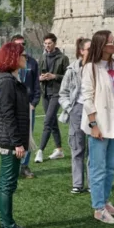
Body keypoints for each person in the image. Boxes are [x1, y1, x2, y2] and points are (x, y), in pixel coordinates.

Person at [81, 30, 114, 224]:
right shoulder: (90, 67)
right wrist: (93, 125)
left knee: (110, 166)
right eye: (112, 42)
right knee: (98, 167)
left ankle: (106, 201)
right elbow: (87, 98)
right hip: (99, 124)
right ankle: (98, 208)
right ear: (102, 45)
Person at [0, 42, 33, 228]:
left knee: (7, 182)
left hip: (8, 138)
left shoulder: (9, 79)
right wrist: (17, 143)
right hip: (8, 140)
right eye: (22, 54)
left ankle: (5, 221)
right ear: (13, 58)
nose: (25, 57)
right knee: (8, 183)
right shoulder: (7, 81)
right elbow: (8, 114)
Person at [58, 37, 91, 194]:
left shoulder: (98, 68)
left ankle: (92, 184)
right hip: (77, 110)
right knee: (77, 147)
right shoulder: (72, 69)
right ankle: (77, 184)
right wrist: (70, 109)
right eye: (89, 49)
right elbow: (63, 93)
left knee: (93, 149)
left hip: (94, 111)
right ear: (81, 51)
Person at [35, 33, 69, 163]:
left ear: (54, 43)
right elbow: (37, 75)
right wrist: (40, 78)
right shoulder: (42, 57)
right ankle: (59, 150)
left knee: (47, 122)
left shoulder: (63, 58)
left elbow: (68, 77)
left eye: (49, 43)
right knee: (52, 122)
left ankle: (40, 151)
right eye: (45, 43)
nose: (47, 45)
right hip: (45, 93)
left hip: (57, 93)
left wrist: (54, 76)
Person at [11, 34, 41, 179]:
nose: (21, 46)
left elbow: (36, 85)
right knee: (12, 134)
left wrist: (34, 103)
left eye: (23, 44)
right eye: (18, 44)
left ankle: (24, 165)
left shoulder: (32, 62)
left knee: (27, 136)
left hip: (28, 106)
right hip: (14, 105)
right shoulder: (9, 62)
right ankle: (12, 165)